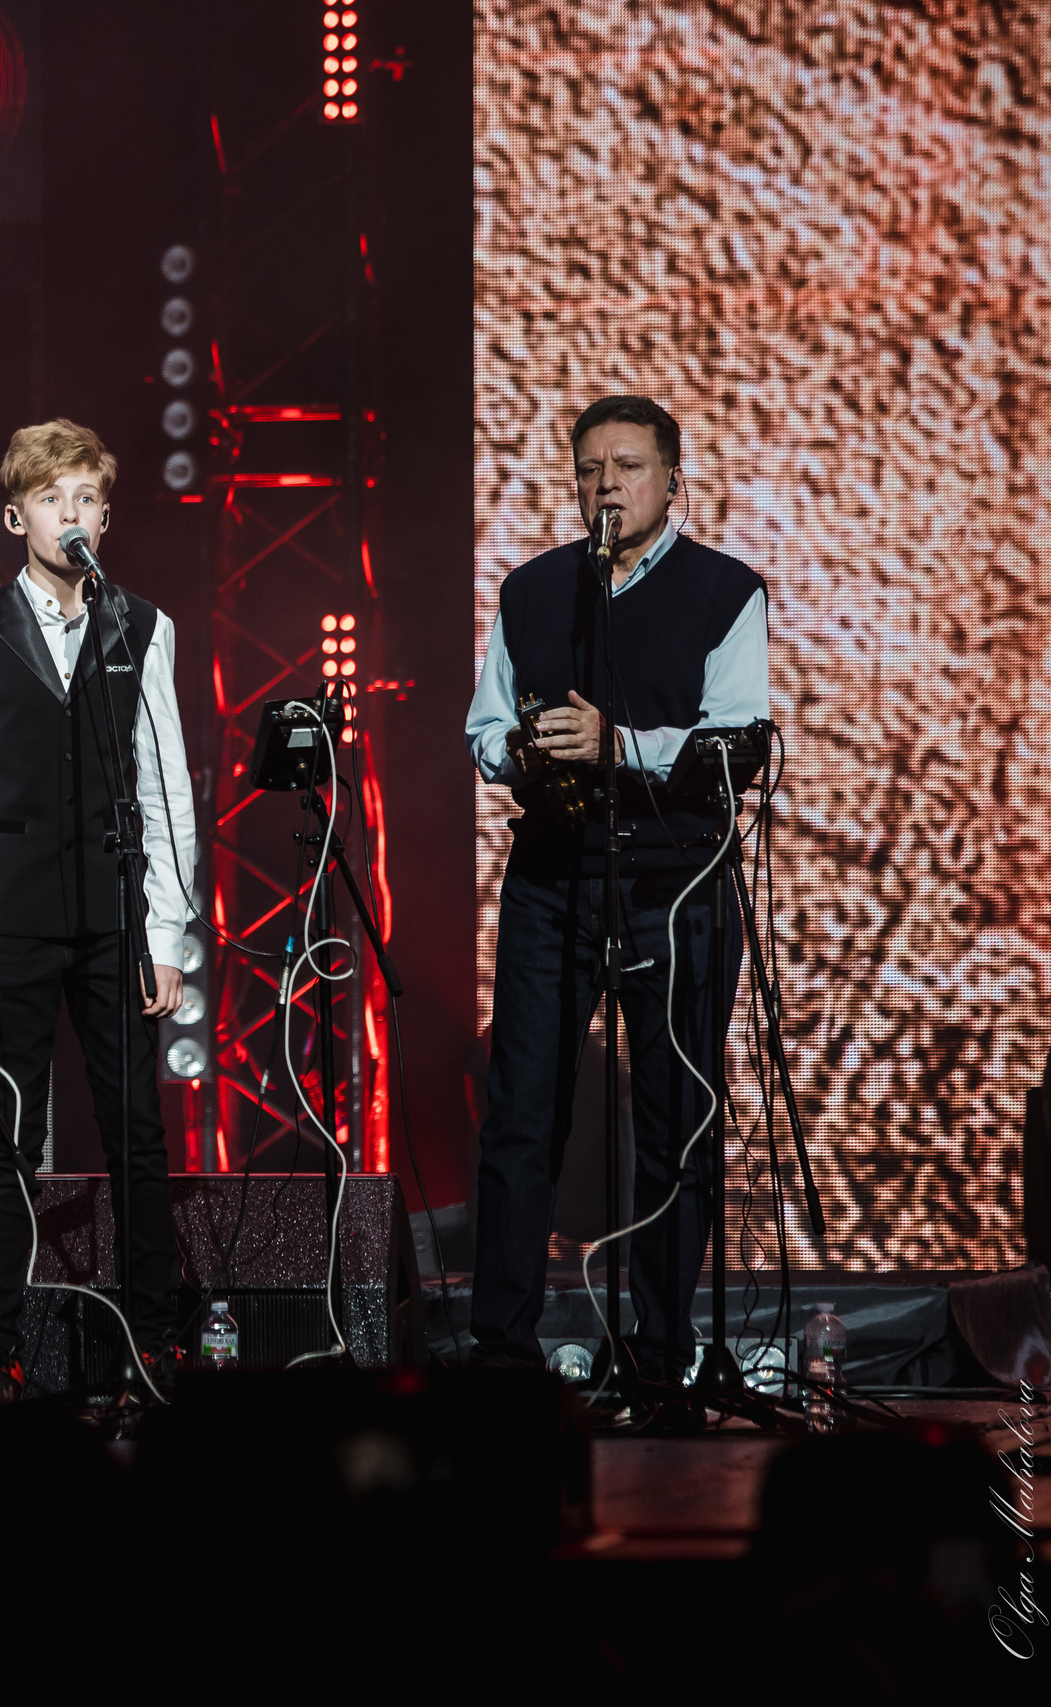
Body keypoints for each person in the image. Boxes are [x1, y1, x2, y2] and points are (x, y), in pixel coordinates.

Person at [464, 393, 767, 1403]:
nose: (606, 485)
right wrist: (520, 749)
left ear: (671, 479)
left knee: (673, 1115)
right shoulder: (533, 589)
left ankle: (658, 1351)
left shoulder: (726, 592)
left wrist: (620, 746)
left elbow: (736, 740)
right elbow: (484, 727)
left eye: (627, 466)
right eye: (590, 467)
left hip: (672, 884)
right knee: (520, 1110)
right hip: (553, 874)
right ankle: (500, 1353)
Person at [0, 419, 197, 1400]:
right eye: (50, 499)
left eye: (84, 498)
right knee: (8, 1134)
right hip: (9, 919)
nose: (68, 514)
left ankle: (156, 1343)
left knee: (136, 1131)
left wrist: (165, 932)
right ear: (15, 515)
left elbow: (165, 788)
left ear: (105, 515)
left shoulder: (140, 626)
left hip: (115, 918)